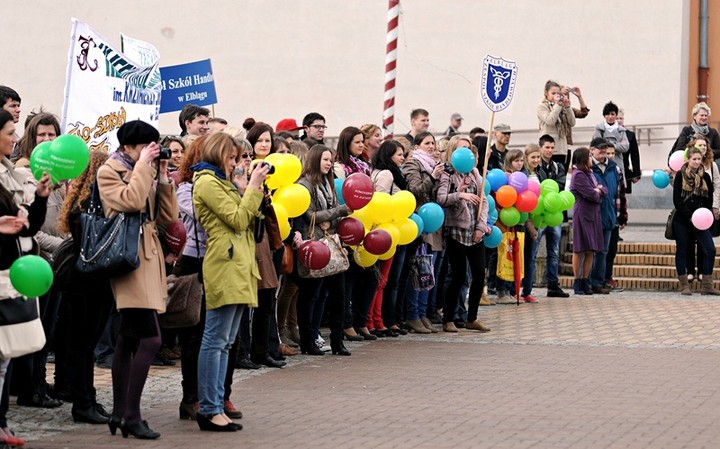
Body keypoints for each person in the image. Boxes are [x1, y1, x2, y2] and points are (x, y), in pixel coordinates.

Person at [97, 120, 178, 439]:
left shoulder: (144, 170)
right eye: (146, 146)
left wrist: (162, 176)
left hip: (149, 258)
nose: (150, 151)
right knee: (151, 339)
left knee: (129, 339)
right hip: (128, 262)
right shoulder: (109, 171)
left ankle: (120, 414)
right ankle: (131, 414)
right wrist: (144, 167)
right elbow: (130, 202)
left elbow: (168, 217)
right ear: (129, 147)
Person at [192, 132, 269, 431]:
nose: (237, 164)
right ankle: (209, 408)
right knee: (215, 340)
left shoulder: (223, 183)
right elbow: (237, 219)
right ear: (217, 154)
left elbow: (249, 221)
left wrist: (248, 190)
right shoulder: (207, 182)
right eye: (232, 157)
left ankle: (216, 404)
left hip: (239, 265)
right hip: (225, 264)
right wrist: (251, 188)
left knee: (225, 343)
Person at [0, 109, 53, 448]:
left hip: (12, 273)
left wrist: (42, 200)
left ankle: (1, 422)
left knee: (3, 357)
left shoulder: (8, 175)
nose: (15, 137)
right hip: (3, 273)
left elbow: (28, 226)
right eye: (9, 131)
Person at [53, 151, 114, 424]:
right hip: (84, 282)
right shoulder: (87, 207)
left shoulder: (88, 203)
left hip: (90, 281)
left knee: (85, 345)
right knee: (81, 345)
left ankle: (88, 398)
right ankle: (82, 403)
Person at [296, 144, 351, 355]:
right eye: (326, 159)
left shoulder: (328, 184)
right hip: (315, 245)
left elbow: (328, 215)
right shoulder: (305, 184)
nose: (329, 163)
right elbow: (309, 215)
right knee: (311, 294)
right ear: (315, 159)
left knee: (338, 294)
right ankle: (307, 340)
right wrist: (336, 212)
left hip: (332, 243)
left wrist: (332, 218)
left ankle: (338, 340)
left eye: (331, 160)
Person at [436, 143, 491, 332]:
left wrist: (481, 227)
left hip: (474, 232)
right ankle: (448, 318)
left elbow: (483, 202)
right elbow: (441, 199)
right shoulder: (447, 173)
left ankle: (472, 317)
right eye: (462, 148)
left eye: (469, 149)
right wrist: (460, 193)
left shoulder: (475, 172)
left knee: (479, 274)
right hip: (456, 231)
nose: (466, 153)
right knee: (458, 276)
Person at [245, 123, 285, 368]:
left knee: (270, 296)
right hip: (253, 239)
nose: (264, 145)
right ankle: (250, 350)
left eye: (268, 140)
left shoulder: (275, 171)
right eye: (259, 140)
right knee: (256, 298)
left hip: (271, 238)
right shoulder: (246, 172)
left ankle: (267, 348)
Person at [333, 126, 378, 341]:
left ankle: (362, 321)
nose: (362, 145)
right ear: (347, 143)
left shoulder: (365, 166)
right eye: (357, 142)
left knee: (369, 278)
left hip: (368, 225)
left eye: (363, 141)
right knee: (349, 279)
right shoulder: (340, 168)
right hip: (349, 226)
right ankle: (346, 323)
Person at [401, 132, 444, 334]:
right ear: (417, 146)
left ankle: (423, 312)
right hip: (419, 220)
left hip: (433, 222)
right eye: (427, 143)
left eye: (433, 143)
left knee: (429, 271)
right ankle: (413, 314)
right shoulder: (413, 164)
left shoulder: (433, 165)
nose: (431, 146)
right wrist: (433, 176)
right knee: (419, 269)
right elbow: (414, 190)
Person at [369, 140, 406, 337]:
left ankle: (378, 319)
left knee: (382, 280)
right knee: (380, 280)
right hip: (384, 229)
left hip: (392, 228)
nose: (402, 158)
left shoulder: (389, 172)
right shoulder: (386, 174)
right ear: (388, 155)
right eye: (399, 154)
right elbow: (380, 199)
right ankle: (374, 320)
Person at [673, 146, 720, 296]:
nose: (697, 162)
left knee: (710, 249)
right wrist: (690, 216)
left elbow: (709, 198)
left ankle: (707, 284)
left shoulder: (705, 177)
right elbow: (677, 200)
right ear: (688, 159)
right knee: (682, 250)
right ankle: (684, 285)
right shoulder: (680, 175)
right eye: (694, 159)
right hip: (683, 219)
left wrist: (704, 214)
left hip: (701, 220)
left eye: (699, 159)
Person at [531, 134, 570, 298]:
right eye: (547, 147)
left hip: (554, 214)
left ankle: (553, 285)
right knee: (533, 252)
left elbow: (561, 185)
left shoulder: (558, 166)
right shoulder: (534, 167)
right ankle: (527, 287)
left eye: (552, 147)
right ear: (540, 147)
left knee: (553, 251)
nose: (550, 150)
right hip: (539, 214)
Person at [569, 147, 605, 295]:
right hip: (583, 215)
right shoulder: (578, 175)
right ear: (583, 159)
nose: (591, 159)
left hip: (594, 214)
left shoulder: (590, 173)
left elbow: (604, 190)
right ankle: (577, 281)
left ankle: (585, 280)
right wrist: (597, 191)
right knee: (579, 249)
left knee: (591, 249)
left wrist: (599, 190)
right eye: (589, 156)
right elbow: (592, 195)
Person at [588, 138, 621, 295]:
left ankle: (598, 282)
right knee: (590, 250)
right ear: (592, 150)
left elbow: (617, 193)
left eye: (605, 151)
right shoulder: (587, 168)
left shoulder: (613, 168)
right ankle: (586, 281)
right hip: (592, 216)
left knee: (604, 251)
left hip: (608, 215)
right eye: (600, 151)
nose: (603, 155)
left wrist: (619, 215)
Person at [603, 145, 628, 292]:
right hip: (602, 217)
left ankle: (608, 276)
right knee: (602, 250)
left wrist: (623, 216)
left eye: (613, 153)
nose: (611, 156)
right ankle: (601, 278)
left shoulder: (616, 170)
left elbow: (622, 195)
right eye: (608, 153)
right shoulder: (596, 170)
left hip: (614, 216)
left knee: (612, 249)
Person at [521, 143, 544, 302]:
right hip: (523, 219)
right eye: (533, 157)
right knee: (520, 256)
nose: (536, 160)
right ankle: (515, 289)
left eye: (538, 157)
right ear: (526, 158)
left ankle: (527, 290)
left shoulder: (541, 173)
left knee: (531, 257)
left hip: (538, 219)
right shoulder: (522, 174)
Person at [537, 80, 576, 165]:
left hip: (562, 148)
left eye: (558, 93)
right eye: (553, 93)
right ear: (546, 93)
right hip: (549, 148)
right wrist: (558, 106)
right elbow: (550, 121)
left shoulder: (560, 106)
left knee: (561, 175)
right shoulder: (542, 106)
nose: (556, 96)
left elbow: (572, 123)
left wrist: (568, 107)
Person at [592, 101, 629, 171]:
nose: (610, 116)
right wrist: (617, 144)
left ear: (616, 115)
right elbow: (597, 145)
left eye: (612, 114)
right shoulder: (599, 129)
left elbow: (625, 147)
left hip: (618, 162)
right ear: (604, 116)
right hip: (601, 163)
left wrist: (608, 144)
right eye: (607, 114)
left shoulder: (621, 130)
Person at [617, 108, 641, 193]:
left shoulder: (629, 135)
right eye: (617, 118)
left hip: (625, 170)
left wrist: (636, 173)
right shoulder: (606, 133)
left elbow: (635, 155)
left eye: (621, 118)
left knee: (623, 199)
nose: (619, 121)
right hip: (610, 169)